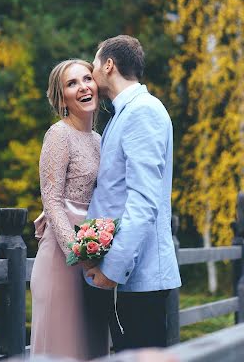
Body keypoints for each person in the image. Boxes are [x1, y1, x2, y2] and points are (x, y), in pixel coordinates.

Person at [85, 35, 181, 352]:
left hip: (140, 277)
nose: (91, 71)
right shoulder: (124, 113)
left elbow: (143, 202)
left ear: (109, 65)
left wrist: (112, 270)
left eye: (94, 64)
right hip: (130, 275)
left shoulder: (143, 112)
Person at [30, 59, 110, 360]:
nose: (82, 87)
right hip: (62, 261)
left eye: (87, 78)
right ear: (62, 98)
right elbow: (51, 201)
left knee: (92, 349)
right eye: (71, 83)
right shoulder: (58, 135)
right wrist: (80, 255)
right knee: (62, 349)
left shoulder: (101, 141)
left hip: (94, 259)